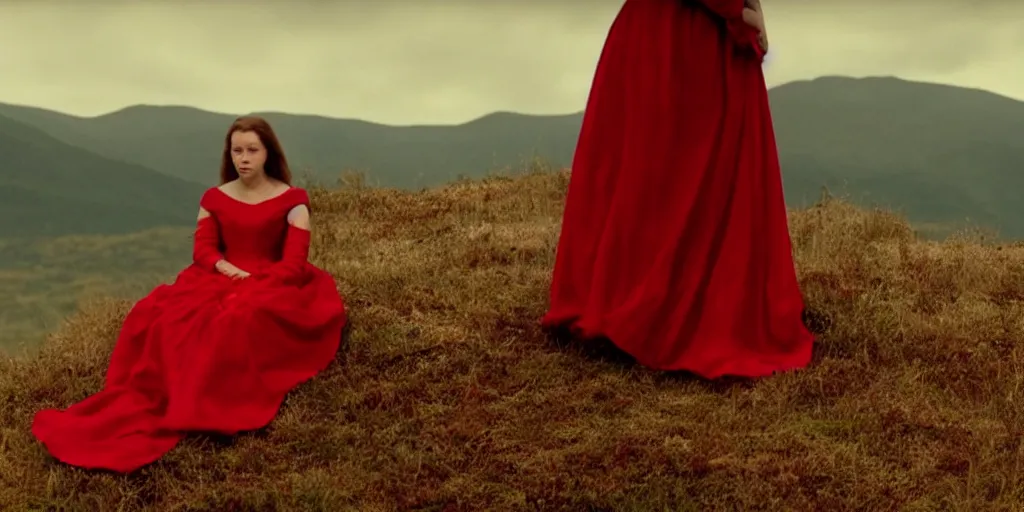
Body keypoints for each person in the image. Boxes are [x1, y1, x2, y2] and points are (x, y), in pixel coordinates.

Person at [31, 115, 348, 473]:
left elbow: (293, 264)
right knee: (156, 315)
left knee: (235, 320)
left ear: (268, 153)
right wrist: (228, 271)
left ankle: (214, 407)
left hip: (275, 281)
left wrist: (256, 282)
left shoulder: (293, 200)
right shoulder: (215, 197)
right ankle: (162, 398)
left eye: (252, 151)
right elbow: (204, 251)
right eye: (236, 151)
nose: (243, 158)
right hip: (217, 275)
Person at [542, 0, 814, 379]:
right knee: (676, 181)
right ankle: (658, 313)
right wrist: (740, 14)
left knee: (651, 181)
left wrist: (750, 10)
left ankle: (626, 300)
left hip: (657, 36)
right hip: (684, 45)